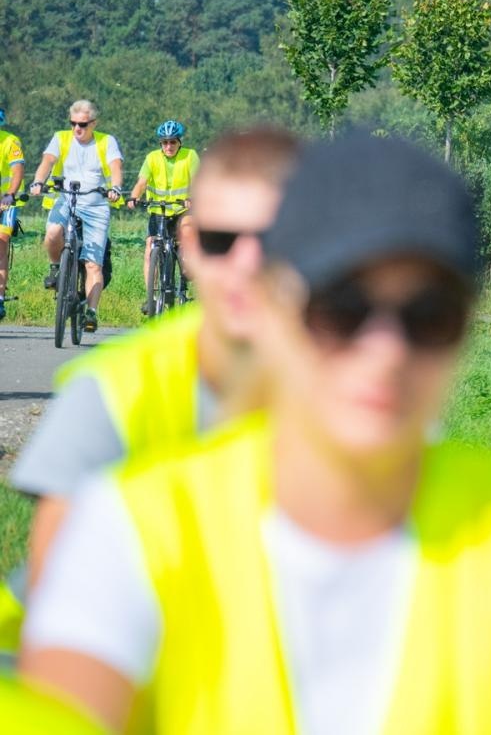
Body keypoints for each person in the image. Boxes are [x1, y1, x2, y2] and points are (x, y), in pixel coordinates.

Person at [21, 134, 491, 735]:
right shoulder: (135, 527)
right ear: (271, 307)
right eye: (343, 310)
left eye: (428, 317)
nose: (384, 351)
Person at [4, 128, 301, 651]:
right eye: (220, 240)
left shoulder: (369, 385)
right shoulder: (108, 395)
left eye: (273, 240)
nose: (246, 264)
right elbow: (54, 614)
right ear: (193, 245)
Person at [29, 101, 123, 333]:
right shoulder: (60, 138)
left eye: (82, 124)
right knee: (52, 233)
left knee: (93, 264)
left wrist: (116, 187)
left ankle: (91, 312)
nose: (77, 129)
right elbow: (47, 162)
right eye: (73, 124)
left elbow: (115, 167)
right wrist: (38, 182)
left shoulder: (105, 141)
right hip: (66, 200)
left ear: (93, 123)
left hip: (95, 206)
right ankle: (55, 268)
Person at [127, 120, 201, 316]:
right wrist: (134, 197)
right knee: (150, 247)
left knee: (187, 230)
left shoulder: (190, 156)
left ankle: (187, 265)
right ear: (160, 144)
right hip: (158, 211)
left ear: (179, 143)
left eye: (173, 143)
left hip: (181, 210)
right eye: (165, 143)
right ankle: (151, 297)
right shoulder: (152, 158)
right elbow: (142, 182)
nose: (168, 147)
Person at [0, 107, 25, 321]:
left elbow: (17, 170)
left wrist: (9, 195)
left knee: (1, 242)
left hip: (5, 202)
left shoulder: (10, 141)